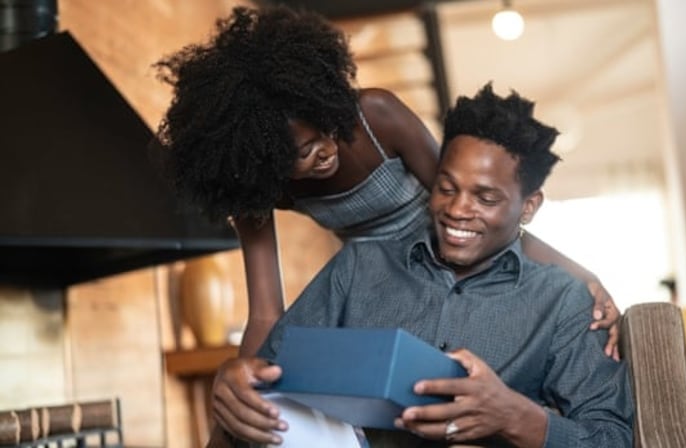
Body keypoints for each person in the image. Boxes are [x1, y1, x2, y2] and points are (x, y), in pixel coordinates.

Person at [154, 5, 620, 359]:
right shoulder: (260, 189)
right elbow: (265, 314)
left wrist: (584, 276)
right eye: (305, 152)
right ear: (263, 162)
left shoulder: (376, 116)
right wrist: (239, 397)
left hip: (455, 258)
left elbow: (474, 214)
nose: (328, 150)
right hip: (380, 282)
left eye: (327, 130)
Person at [210, 84, 634, 447]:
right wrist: (235, 380)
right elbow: (271, 368)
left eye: (486, 199)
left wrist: (515, 415)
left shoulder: (562, 304)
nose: (457, 211)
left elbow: (613, 438)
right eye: (446, 188)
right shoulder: (360, 266)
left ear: (529, 207)